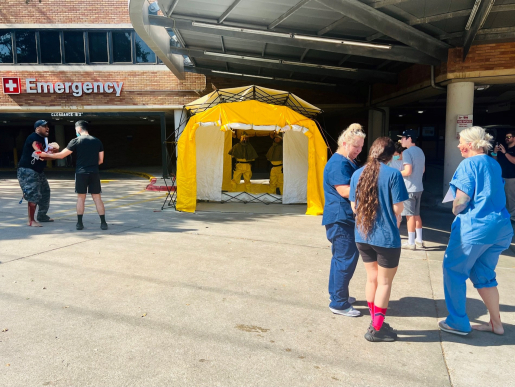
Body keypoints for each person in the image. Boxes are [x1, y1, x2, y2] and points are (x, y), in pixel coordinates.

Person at [439, 126, 513, 336]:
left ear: (470, 144)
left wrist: (455, 209)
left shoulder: (468, 163)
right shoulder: (494, 163)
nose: (459, 145)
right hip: (500, 228)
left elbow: (461, 200)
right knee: (484, 275)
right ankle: (496, 324)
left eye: (461, 142)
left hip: (475, 228)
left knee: (453, 270)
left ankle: (457, 322)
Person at [349, 137, 408, 342]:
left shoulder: (358, 173)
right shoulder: (394, 174)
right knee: (384, 283)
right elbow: (398, 208)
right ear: (391, 155)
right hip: (386, 238)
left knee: (371, 279)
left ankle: (376, 321)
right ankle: (376, 329)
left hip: (362, 235)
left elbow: (354, 207)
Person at [322, 123, 366, 317]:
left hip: (342, 218)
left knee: (340, 259)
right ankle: (339, 302)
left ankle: (338, 295)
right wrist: (372, 188)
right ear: (345, 143)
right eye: (356, 146)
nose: (359, 150)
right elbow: (345, 190)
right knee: (345, 260)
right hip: (341, 219)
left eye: (361, 147)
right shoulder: (339, 163)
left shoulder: (345, 161)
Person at [40, 121, 107, 230]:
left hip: (81, 173)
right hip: (94, 172)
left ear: (79, 129)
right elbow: (101, 160)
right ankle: (103, 223)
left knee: (81, 198)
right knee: (97, 197)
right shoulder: (97, 141)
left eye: (76, 129)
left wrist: (46, 155)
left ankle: (79, 223)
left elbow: (62, 155)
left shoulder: (76, 141)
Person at [17, 120, 59, 227]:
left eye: (47, 126)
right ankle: (31, 221)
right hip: (27, 170)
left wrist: (53, 150)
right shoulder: (34, 138)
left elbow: (45, 154)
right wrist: (55, 154)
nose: (47, 128)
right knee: (33, 194)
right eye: (44, 126)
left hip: (38, 170)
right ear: (37, 128)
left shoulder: (43, 139)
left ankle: (42, 216)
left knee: (45, 192)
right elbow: (40, 154)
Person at [398, 129, 425, 250]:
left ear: (409, 139)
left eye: (403, 138)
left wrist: (396, 173)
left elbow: (407, 171)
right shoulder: (420, 151)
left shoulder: (407, 153)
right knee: (417, 214)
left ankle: (411, 242)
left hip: (409, 188)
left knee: (409, 216)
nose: (401, 140)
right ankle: (419, 240)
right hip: (419, 187)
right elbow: (423, 170)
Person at [491, 130, 515, 221]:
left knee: (511, 198)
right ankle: (504, 215)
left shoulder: (509, 150)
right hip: (501, 177)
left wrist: (505, 153)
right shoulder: (503, 148)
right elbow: (495, 161)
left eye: (509, 137)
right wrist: (495, 152)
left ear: (514, 138)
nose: (506, 139)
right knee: (502, 196)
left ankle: (513, 217)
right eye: (506, 137)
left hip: (512, 177)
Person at [389, 142, 406, 228]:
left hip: (401, 186)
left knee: (398, 211)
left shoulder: (405, 161)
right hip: (391, 186)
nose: (394, 156)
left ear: (401, 153)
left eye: (396, 155)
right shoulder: (391, 159)